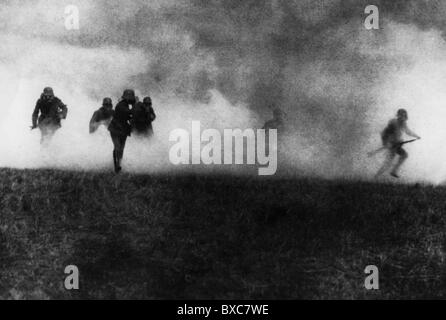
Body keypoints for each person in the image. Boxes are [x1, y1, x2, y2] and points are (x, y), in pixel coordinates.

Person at [375, 108, 421, 178]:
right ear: (398, 115)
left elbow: (408, 131)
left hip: (397, 145)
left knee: (403, 156)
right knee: (389, 162)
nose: (402, 117)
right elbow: (384, 133)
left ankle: (393, 171)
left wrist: (416, 136)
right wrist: (385, 143)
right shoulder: (393, 122)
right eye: (401, 115)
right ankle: (378, 176)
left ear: (405, 117)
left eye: (404, 116)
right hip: (392, 144)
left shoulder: (403, 123)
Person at [108, 89, 135, 173]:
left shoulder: (126, 104)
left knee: (121, 148)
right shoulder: (121, 105)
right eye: (131, 98)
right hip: (116, 128)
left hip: (123, 128)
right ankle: (117, 165)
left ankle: (118, 164)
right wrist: (136, 105)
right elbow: (128, 112)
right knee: (118, 147)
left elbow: (128, 116)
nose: (132, 99)